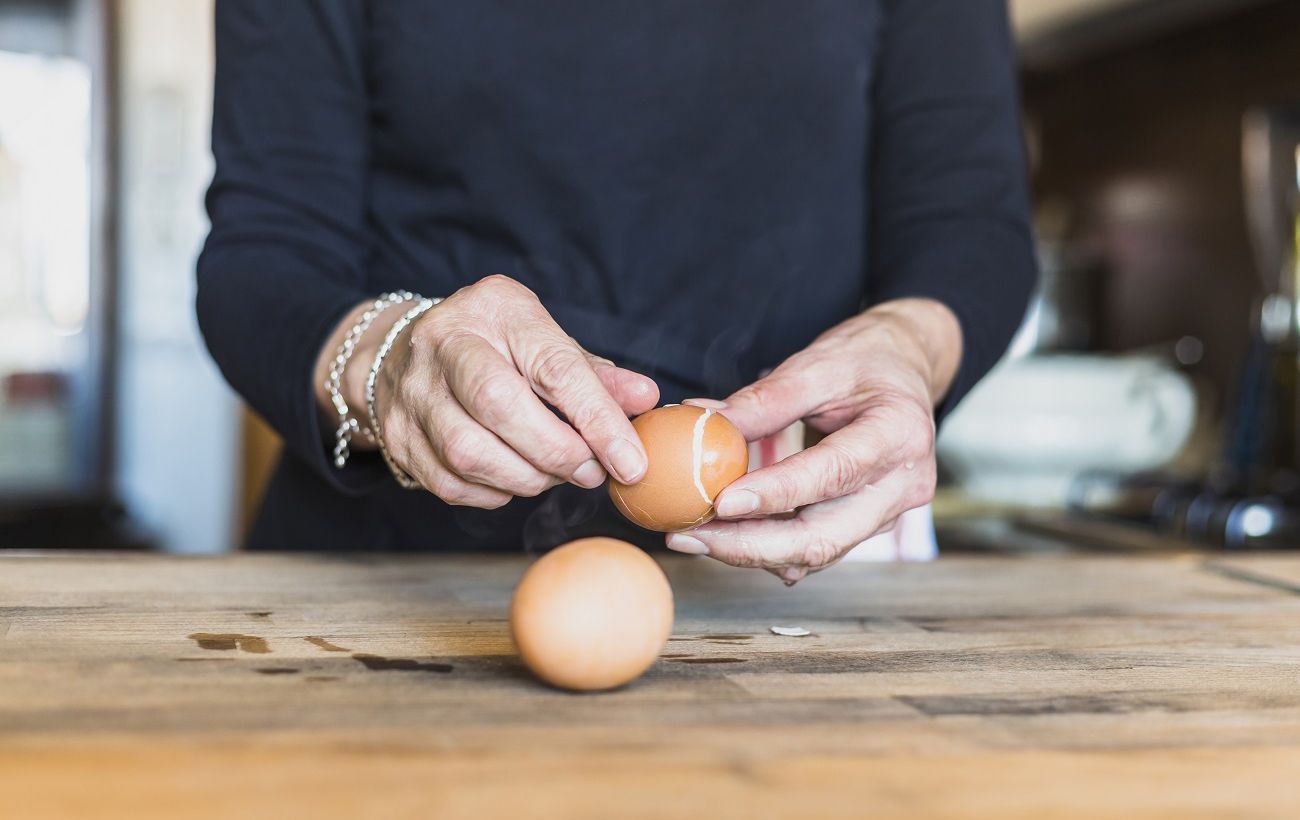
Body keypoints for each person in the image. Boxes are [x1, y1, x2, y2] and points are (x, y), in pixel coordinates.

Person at [197, 0, 1036, 581]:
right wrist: (389, 363)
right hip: (392, 586)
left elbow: (971, 227)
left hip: (798, 588)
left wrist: (909, 344)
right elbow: (264, 254)